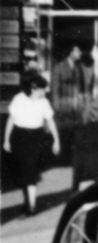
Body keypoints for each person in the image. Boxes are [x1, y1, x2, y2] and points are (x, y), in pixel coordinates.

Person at [4, 73, 61, 215]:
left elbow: (50, 121)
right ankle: (27, 201)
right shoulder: (19, 99)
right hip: (19, 136)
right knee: (21, 171)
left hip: (36, 137)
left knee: (31, 170)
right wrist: (6, 140)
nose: (44, 92)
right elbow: (11, 120)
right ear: (33, 88)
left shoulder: (44, 102)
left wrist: (56, 140)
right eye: (42, 89)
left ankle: (31, 206)